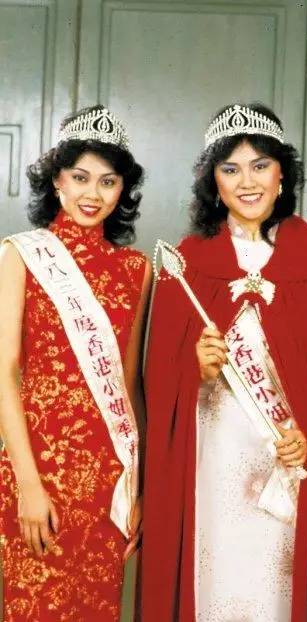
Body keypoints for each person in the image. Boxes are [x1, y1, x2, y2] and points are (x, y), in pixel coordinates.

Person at [139, 103, 307, 621]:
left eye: (260, 165)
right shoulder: (188, 261)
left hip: (287, 460)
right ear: (214, 181)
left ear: (281, 173)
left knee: (279, 592)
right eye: (231, 169)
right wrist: (195, 369)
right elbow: (157, 382)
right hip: (215, 457)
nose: (247, 182)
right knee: (220, 583)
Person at [0, 105, 152, 621]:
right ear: (57, 180)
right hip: (38, 466)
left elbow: (129, 384)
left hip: (109, 475)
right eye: (80, 177)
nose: (93, 194)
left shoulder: (136, 269)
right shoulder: (22, 254)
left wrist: (138, 486)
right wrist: (28, 484)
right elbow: (5, 372)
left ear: (122, 189)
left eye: (108, 181)